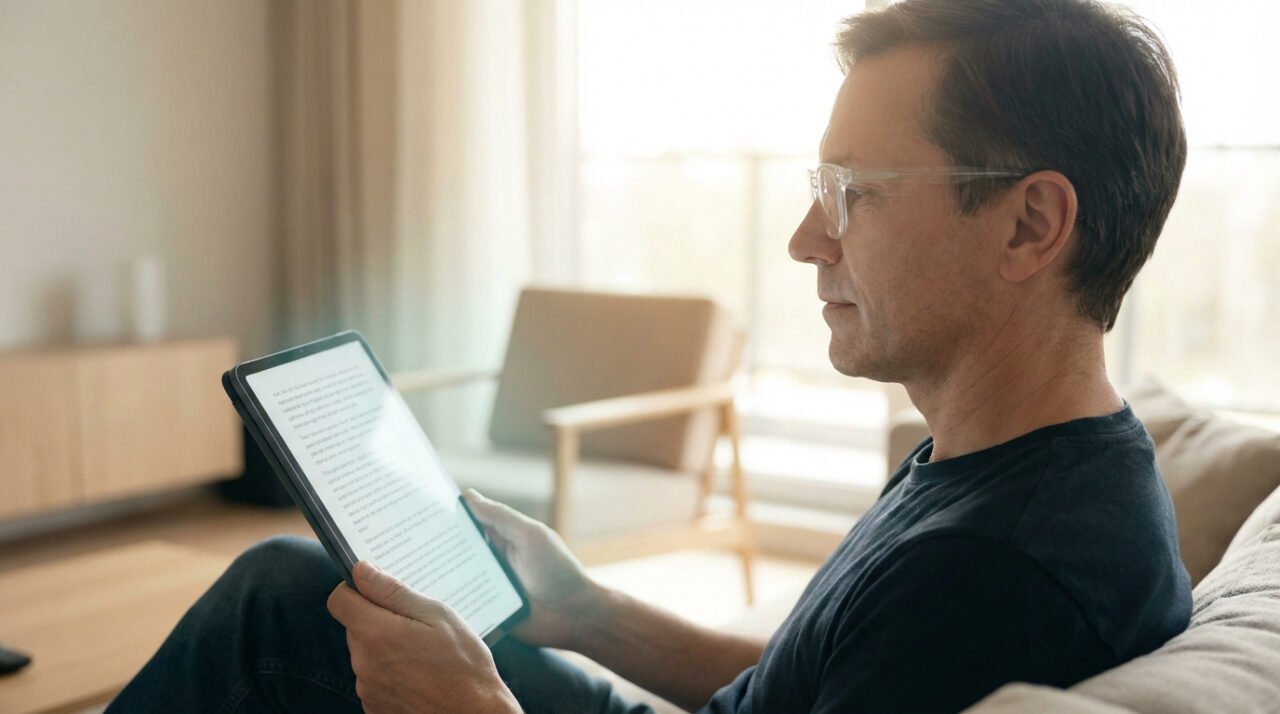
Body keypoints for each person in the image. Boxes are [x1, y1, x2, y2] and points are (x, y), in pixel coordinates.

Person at [108, 0, 1193, 711]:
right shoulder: (1004, 460)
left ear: (1026, 227)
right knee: (294, 584)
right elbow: (809, 682)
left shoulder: (995, 577)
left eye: (852, 194)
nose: (805, 240)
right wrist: (583, 608)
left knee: (270, 614)